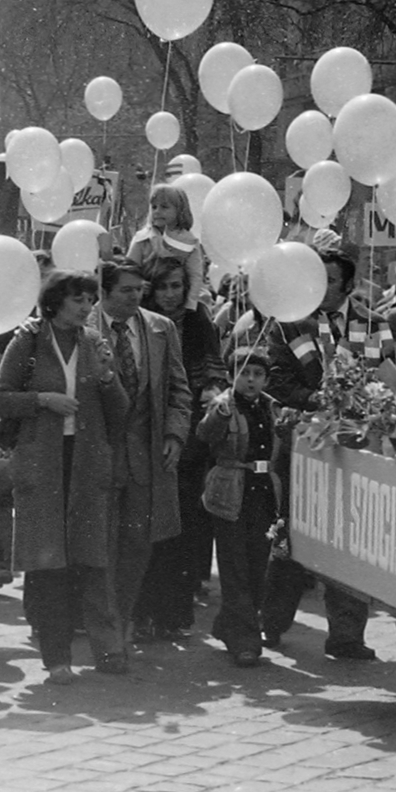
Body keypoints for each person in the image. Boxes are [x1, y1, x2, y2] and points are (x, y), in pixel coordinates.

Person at [0, 270, 128, 684]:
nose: (87, 308)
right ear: (56, 302)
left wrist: (106, 377)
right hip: (43, 462)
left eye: (90, 300)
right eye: (78, 300)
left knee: (92, 559)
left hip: (86, 462)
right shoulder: (28, 340)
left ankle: (108, 649)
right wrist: (43, 401)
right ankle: (57, 658)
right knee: (49, 563)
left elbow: (119, 413)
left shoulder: (94, 342)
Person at [260, 247, 376, 660]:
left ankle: (347, 636)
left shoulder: (374, 325)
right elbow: (276, 381)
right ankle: (270, 624)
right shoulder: (289, 323)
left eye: (328, 280)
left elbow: (387, 378)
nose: (318, 287)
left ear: (349, 285)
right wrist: (318, 400)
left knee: (352, 538)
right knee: (292, 534)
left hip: (354, 449)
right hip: (302, 448)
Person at [89, 259, 191, 673]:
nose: (137, 296)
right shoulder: (84, 329)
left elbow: (179, 390)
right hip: (98, 459)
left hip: (146, 459)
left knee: (135, 548)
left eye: (139, 289)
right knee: (100, 549)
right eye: (127, 290)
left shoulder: (160, 329)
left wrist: (174, 434)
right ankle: (106, 636)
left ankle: (122, 622)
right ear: (105, 291)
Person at [133, 256, 228, 639]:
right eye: (163, 286)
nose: (170, 294)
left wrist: (211, 390)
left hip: (186, 431)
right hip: (144, 429)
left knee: (183, 526)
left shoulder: (198, 318)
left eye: (177, 286)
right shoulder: (139, 322)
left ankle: (172, 614)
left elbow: (212, 366)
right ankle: (139, 613)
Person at [198, 347, 282, 667]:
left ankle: (228, 625)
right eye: (244, 373)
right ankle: (244, 640)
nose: (250, 380)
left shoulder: (272, 408)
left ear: (266, 379)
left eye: (257, 374)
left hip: (263, 493)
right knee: (234, 568)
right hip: (231, 491)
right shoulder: (224, 405)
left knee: (257, 565)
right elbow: (205, 434)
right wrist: (216, 414)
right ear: (232, 376)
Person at [126, 184, 205, 312]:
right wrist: (138, 282)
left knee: (200, 319)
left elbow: (195, 275)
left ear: (180, 211)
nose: (157, 211)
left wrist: (190, 304)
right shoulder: (142, 238)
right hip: (147, 299)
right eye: (154, 207)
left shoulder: (188, 241)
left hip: (180, 302)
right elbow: (130, 268)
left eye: (164, 207)